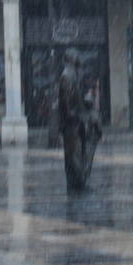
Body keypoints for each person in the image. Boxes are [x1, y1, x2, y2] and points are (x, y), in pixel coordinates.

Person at [57, 50, 99, 192]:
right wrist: (75, 115)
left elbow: (72, 98)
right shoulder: (67, 75)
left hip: (73, 121)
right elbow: (66, 101)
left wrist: (84, 103)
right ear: (71, 59)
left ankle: (75, 184)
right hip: (72, 123)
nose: (79, 57)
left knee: (74, 154)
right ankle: (77, 184)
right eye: (76, 55)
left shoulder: (72, 74)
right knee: (74, 155)